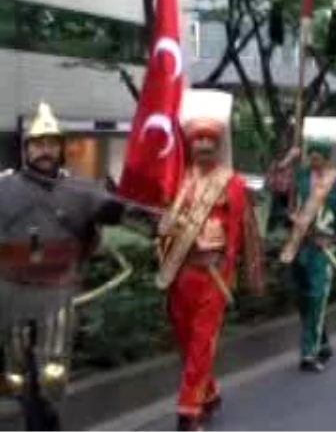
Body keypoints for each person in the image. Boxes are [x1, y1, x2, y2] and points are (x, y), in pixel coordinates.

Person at [0, 102, 156, 431]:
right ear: (26, 149)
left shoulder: (81, 191)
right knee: (16, 378)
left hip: (56, 290)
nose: (44, 150)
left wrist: (162, 224)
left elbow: (124, 213)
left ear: (60, 148)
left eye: (50, 144)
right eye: (38, 144)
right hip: (12, 292)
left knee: (50, 377)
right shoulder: (4, 189)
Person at [155, 89, 264, 432]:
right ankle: (210, 392)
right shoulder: (178, 182)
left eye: (209, 139)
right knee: (187, 342)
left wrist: (250, 275)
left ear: (218, 144)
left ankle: (188, 412)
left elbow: (246, 233)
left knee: (202, 341)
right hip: (180, 275)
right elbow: (162, 229)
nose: (203, 145)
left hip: (214, 275)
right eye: (197, 138)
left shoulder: (232, 184)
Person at [278, 117, 336, 373]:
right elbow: (279, 194)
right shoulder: (300, 177)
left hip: (324, 251)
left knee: (317, 297)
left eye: (317, 155)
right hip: (300, 247)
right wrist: (286, 162)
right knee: (304, 301)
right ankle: (321, 340)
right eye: (309, 153)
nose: (312, 159)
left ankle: (309, 353)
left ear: (327, 157)